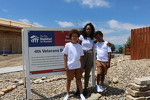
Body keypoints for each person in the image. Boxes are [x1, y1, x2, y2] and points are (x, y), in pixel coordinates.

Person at [62, 29, 86, 100]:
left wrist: (82, 67)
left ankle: (81, 94)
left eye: (76, 36)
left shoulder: (79, 46)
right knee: (69, 80)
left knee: (79, 80)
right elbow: (65, 56)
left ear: (78, 37)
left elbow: (81, 57)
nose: (74, 37)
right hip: (70, 66)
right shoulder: (68, 45)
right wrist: (65, 66)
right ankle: (67, 94)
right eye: (73, 36)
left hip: (78, 66)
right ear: (70, 37)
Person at [76, 23, 96, 96]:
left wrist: (107, 44)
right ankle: (78, 88)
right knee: (79, 72)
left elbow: (99, 43)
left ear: (92, 30)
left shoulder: (93, 38)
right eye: (87, 29)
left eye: (90, 29)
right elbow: (78, 46)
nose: (88, 30)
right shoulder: (81, 37)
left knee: (87, 72)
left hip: (90, 54)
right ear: (85, 29)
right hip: (82, 54)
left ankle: (85, 88)